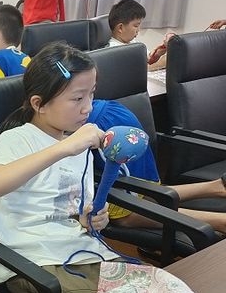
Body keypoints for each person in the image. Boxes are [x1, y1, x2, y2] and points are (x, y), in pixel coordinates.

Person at [0, 42, 120, 293]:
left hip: (80, 252)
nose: (88, 108)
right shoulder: (17, 139)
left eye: (91, 94)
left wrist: (89, 218)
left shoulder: (77, 142)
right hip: (34, 265)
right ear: (38, 104)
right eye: (77, 98)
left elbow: (69, 209)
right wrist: (63, 148)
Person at [89, 98, 226, 234]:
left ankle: (219, 221)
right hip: (116, 119)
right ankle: (217, 187)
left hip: (105, 132)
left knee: (124, 216)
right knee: (146, 192)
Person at [107, 0, 174, 69]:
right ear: (120, 28)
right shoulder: (113, 50)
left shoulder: (132, 42)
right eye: (136, 26)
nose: (138, 30)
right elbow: (136, 69)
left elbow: (148, 59)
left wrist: (159, 52)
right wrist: (162, 62)